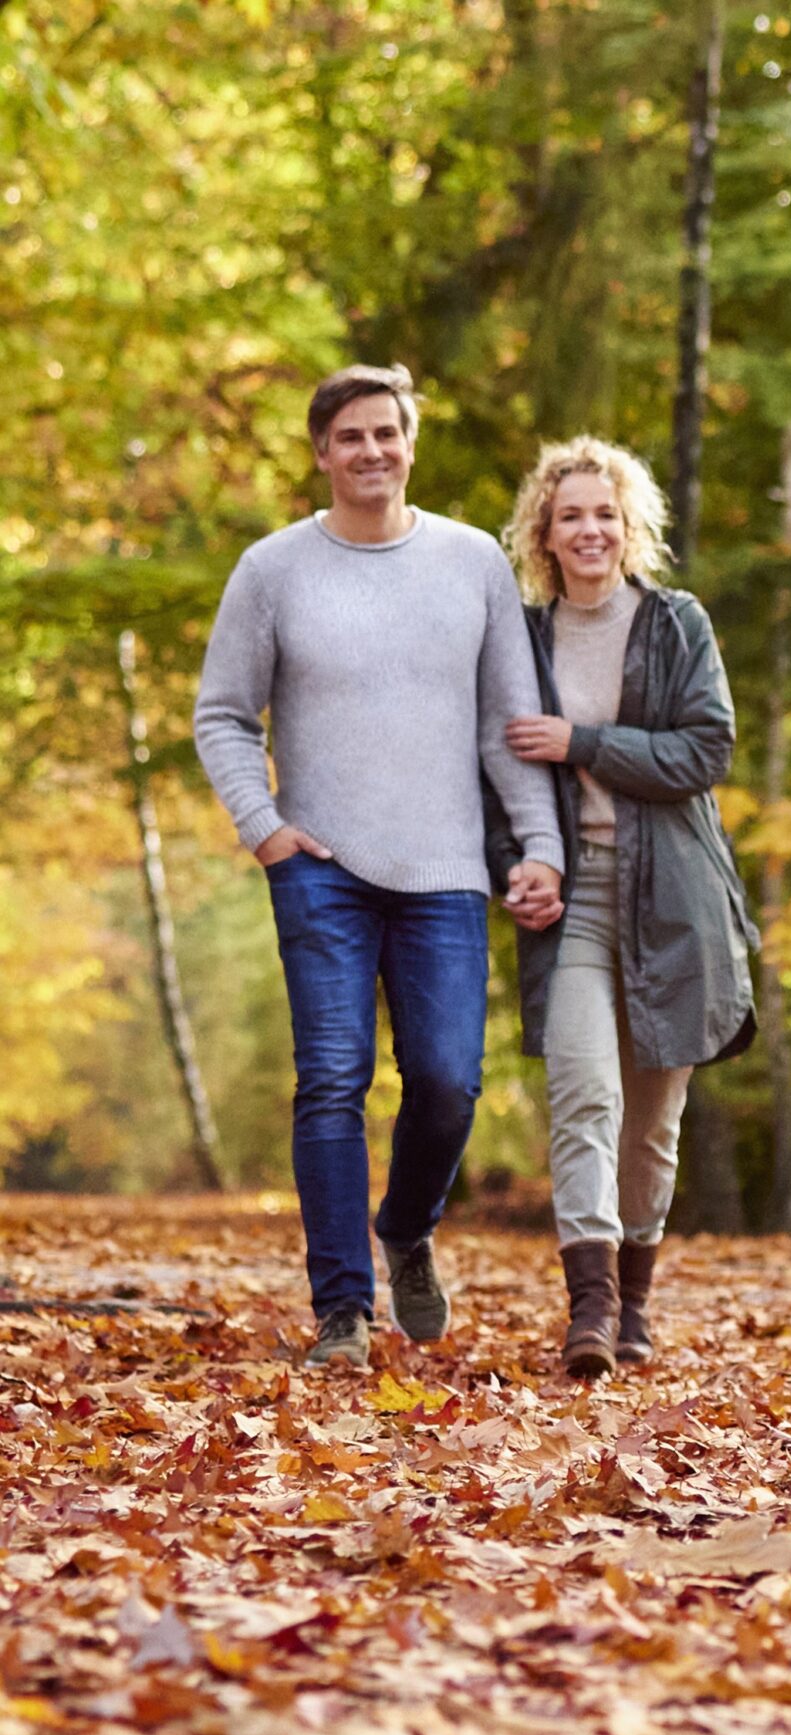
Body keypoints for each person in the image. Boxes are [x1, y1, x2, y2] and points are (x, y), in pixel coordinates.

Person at [195, 364, 566, 1370]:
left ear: (410, 444)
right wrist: (264, 824)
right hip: (319, 865)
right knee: (331, 1078)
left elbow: (507, 726)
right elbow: (222, 712)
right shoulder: (273, 569)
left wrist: (537, 845)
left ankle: (405, 1226)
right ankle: (343, 1312)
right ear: (321, 453)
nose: (370, 451)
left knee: (446, 1081)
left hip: (444, 866)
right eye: (349, 437)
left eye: (385, 434)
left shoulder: (471, 561)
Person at [489, 437, 758, 1378]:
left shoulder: (676, 624)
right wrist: (515, 868)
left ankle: (637, 1302)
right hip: (572, 902)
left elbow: (704, 753)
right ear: (544, 533)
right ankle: (591, 1312)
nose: (590, 529)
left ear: (629, 525)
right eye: (571, 515)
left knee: (651, 1118)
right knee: (584, 1092)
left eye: (605, 513)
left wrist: (583, 742)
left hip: (676, 898)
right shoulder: (520, 638)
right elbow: (492, 769)